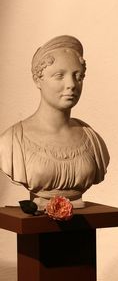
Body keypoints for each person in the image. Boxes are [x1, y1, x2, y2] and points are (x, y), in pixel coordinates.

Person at [0, 35, 109, 208]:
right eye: (59, 76)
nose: (71, 84)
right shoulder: (12, 141)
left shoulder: (92, 139)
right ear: (38, 80)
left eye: (78, 76)